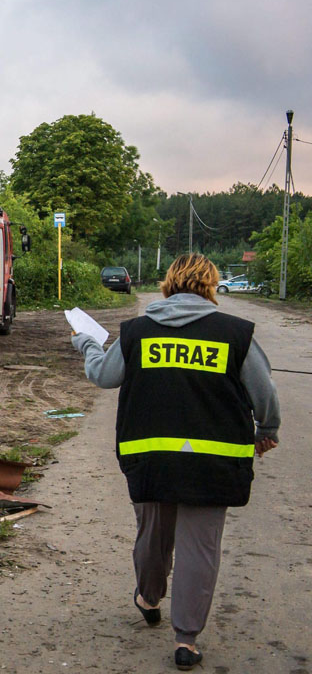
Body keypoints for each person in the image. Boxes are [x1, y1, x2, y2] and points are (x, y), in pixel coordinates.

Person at [71, 253, 280, 671]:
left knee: (152, 532)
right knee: (199, 548)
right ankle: (186, 640)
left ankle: (148, 596)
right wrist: (266, 429)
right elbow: (265, 392)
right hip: (215, 462)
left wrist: (89, 343)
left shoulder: (137, 331)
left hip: (150, 456)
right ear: (211, 285)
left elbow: (104, 376)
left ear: (168, 284)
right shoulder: (235, 333)